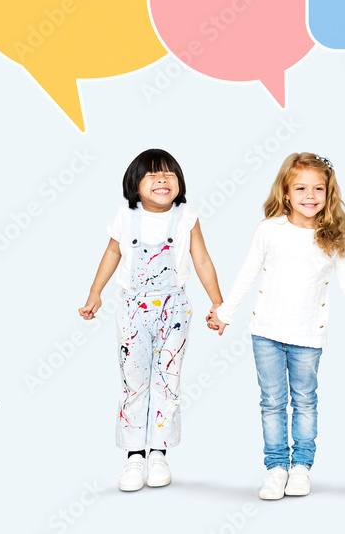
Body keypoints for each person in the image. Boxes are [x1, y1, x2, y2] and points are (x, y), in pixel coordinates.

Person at [207, 153, 345, 500]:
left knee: (304, 401)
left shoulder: (331, 236)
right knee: (272, 401)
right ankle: (276, 468)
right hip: (266, 332)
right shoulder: (269, 230)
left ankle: (301, 466)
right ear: (286, 193)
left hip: (307, 335)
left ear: (328, 193)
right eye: (301, 188)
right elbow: (247, 273)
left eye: (318, 188)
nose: (310, 195)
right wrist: (225, 313)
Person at [79, 149, 223, 492]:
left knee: (167, 380)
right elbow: (112, 253)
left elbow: (201, 260)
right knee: (134, 380)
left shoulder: (187, 216)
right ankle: (134, 455)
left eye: (169, 174)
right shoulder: (126, 216)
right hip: (132, 309)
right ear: (135, 184)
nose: (162, 180)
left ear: (179, 183)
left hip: (174, 309)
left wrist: (218, 303)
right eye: (153, 175)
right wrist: (94, 293)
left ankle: (159, 452)